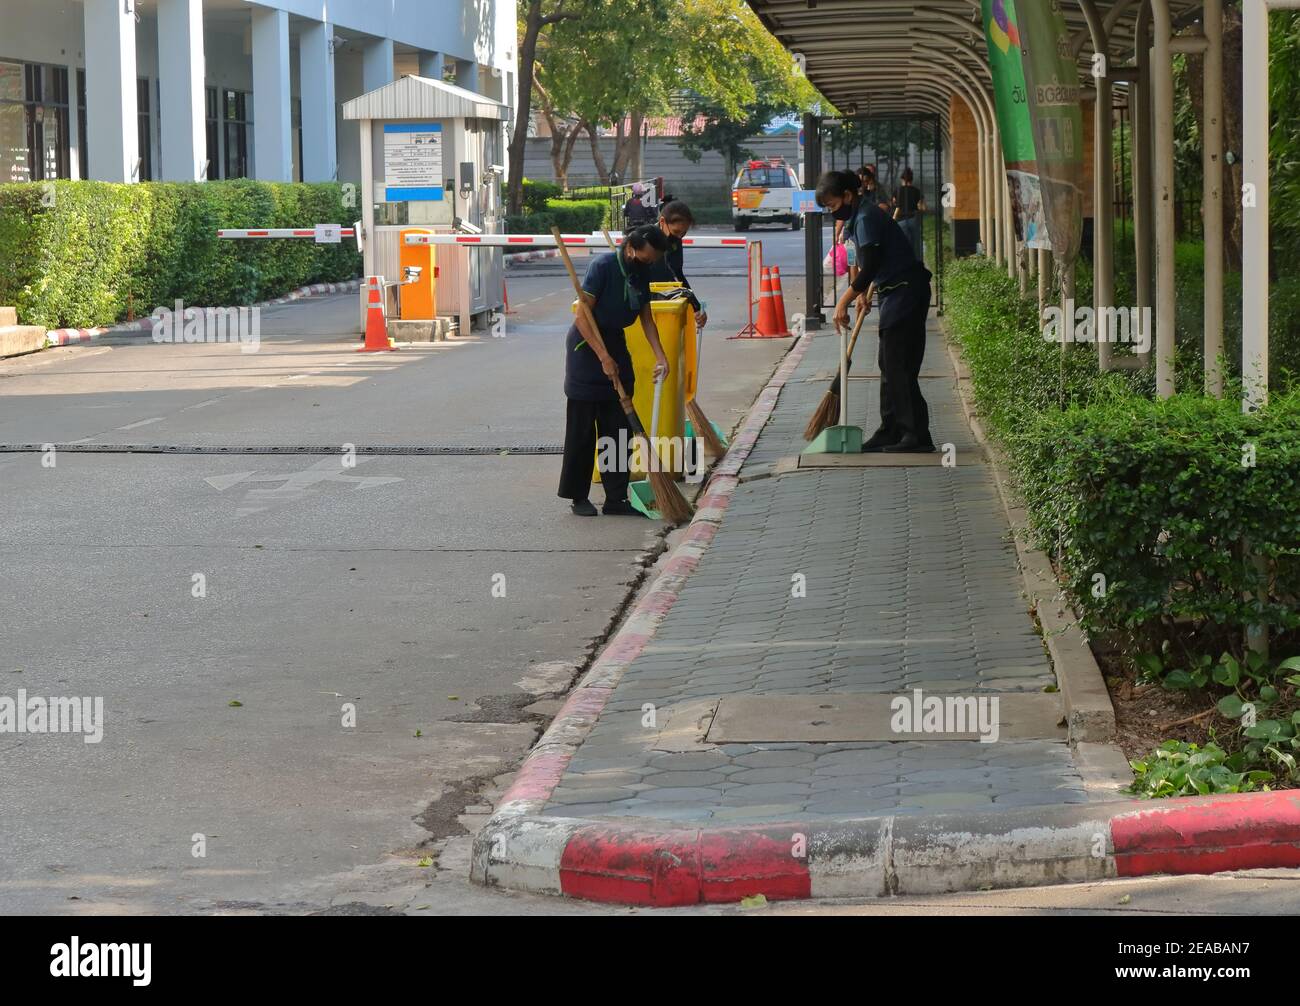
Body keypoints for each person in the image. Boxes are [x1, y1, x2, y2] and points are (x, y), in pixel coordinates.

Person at [815, 169, 934, 453]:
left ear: (847, 195)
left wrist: (844, 300)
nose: (833, 211)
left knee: (899, 366)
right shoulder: (860, 216)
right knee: (889, 364)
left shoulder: (867, 217)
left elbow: (870, 266)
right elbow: (873, 266)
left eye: (833, 205)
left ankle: (915, 435)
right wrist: (863, 295)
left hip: (907, 291)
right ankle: (889, 430)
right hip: (895, 291)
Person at [559, 225, 672, 516]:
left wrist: (661, 356)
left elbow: (646, 318)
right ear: (632, 249)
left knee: (618, 427)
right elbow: (582, 317)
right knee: (583, 429)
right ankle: (578, 497)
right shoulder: (603, 266)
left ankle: (616, 498)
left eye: (653, 260)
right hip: (587, 346)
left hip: (616, 343)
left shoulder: (641, 271)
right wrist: (602, 356)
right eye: (646, 258)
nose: (649, 263)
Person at [648, 200, 707, 327]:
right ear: (662, 222)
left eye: (683, 233)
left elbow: (677, 273)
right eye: (676, 232)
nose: (679, 237)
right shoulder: (646, 240)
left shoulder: (675, 241)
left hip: (664, 303)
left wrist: (696, 307)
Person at [893, 167, 926, 260]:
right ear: (912, 179)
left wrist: (893, 219)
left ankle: (904, 263)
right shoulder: (916, 191)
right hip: (913, 219)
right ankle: (917, 263)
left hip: (901, 220)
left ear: (902, 179)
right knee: (916, 245)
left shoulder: (898, 190)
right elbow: (922, 207)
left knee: (902, 244)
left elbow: (897, 205)